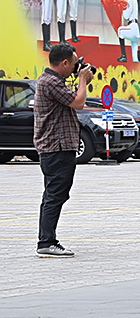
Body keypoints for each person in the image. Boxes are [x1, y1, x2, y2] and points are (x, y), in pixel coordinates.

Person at [34, 43, 93, 257]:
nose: (77, 67)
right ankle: (46, 242)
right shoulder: (51, 82)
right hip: (56, 148)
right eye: (75, 63)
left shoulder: (53, 81)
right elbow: (78, 103)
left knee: (55, 194)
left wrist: (82, 81)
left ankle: (47, 240)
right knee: (55, 195)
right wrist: (82, 81)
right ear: (65, 62)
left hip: (57, 148)